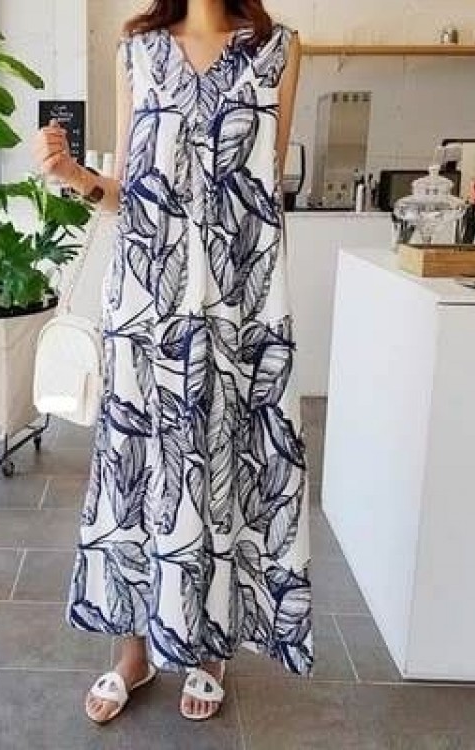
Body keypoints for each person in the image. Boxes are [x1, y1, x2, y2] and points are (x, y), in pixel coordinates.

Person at [34, 0, 312, 724]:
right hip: (147, 302)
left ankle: (208, 649)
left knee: (220, 465)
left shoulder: (279, 50)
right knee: (138, 471)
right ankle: (132, 653)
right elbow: (130, 193)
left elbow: (265, 194)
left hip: (236, 303)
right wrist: (73, 174)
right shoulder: (137, 48)